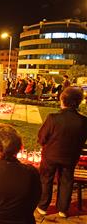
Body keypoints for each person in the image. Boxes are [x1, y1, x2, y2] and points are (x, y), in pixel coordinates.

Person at [36, 87, 87, 218]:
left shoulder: (53, 118)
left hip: (51, 155)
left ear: (62, 100)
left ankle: (43, 206)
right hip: (70, 157)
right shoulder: (84, 121)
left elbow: (42, 137)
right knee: (66, 181)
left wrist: (45, 144)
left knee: (46, 179)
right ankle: (63, 209)